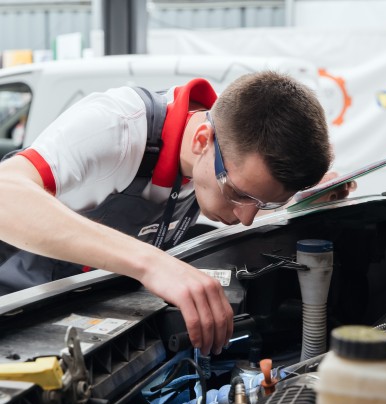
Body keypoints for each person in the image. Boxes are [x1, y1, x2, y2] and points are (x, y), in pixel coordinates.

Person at [0, 71, 350, 355]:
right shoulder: (115, 126)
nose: (246, 218)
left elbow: (245, 197)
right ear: (201, 140)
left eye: (262, 203)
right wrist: (153, 264)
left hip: (77, 324)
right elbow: (6, 193)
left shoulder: (221, 155)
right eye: (239, 194)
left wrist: (295, 204)